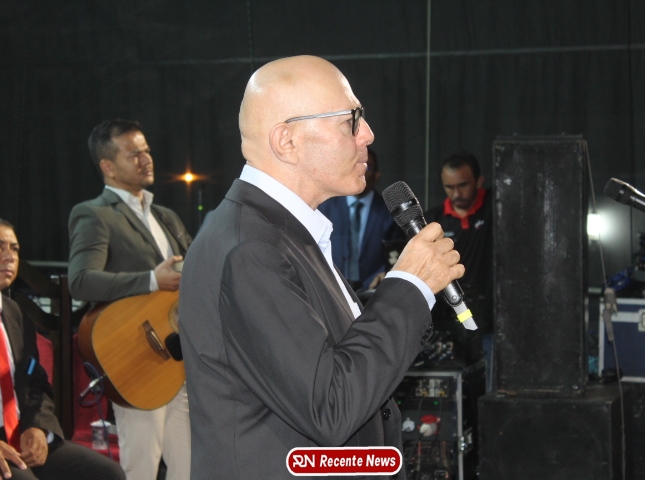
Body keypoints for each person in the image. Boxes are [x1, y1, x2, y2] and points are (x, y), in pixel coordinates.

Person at [179, 55, 464, 479]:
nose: (368, 134)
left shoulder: (278, 234)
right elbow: (331, 405)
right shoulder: (250, 250)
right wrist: (409, 285)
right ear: (287, 141)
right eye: (351, 121)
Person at [67, 120, 192, 480]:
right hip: (136, 360)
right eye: (134, 154)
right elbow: (80, 281)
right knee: (141, 468)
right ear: (107, 166)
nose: (146, 159)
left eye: (146, 150)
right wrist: (151, 279)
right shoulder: (94, 213)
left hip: (180, 358)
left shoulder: (167, 216)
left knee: (190, 468)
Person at [0, 216, 125, 480]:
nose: (9, 256)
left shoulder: (15, 314)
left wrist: (38, 428)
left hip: (17, 439)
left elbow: (36, 385)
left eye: (14, 249)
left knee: (107, 473)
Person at [425, 151, 493, 389]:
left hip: (490, 325)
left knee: (488, 392)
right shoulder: (432, 221)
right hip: (449, 326)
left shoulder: (497, 208)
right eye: (449, 187)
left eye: (463, 185)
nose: (456, 194)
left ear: (479, 181)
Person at [318, 147, 397, 291]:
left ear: (377, 175)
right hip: (331, 290)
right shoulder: (324, 208)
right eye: (354, 165)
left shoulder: (390, 213)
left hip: (373, 292)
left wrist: (386, 275)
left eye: (367, 167)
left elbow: (396, 256)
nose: (359, 171)